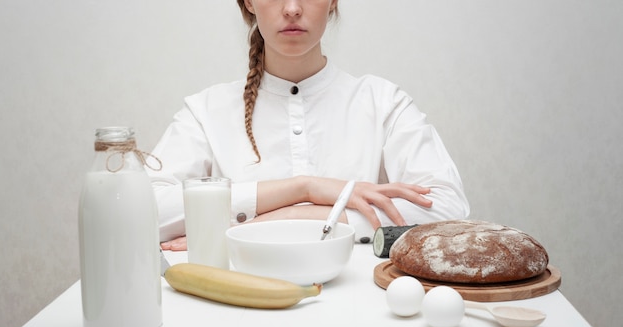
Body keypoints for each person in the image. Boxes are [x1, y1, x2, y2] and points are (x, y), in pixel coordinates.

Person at [149, 0, 469, 251]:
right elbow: (143, 211)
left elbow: (447, 209)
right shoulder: (205, 111)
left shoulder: (384, 103)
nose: (292, 8)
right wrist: (304, 187)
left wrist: (273, 221)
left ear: (333, 1)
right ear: (248, 2)